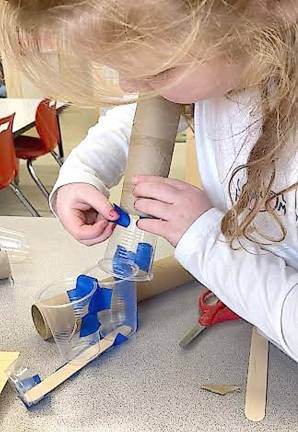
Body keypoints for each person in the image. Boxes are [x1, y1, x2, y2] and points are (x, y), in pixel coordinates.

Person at [3, 0, 298, 362]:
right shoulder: (225, 58)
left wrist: (204, 241)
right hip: (252, 310)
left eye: (161, 71)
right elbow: (137, 112)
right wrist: (82, 172)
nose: (131, 85)